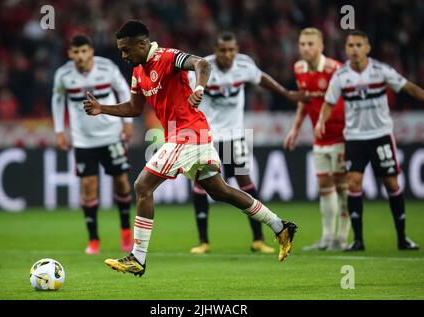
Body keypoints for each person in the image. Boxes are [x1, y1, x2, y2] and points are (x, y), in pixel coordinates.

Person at [83, 20, 298, 277]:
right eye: (121, 50)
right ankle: (279, 225)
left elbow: (202, 63)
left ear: (143, 44)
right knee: (220, 191)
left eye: (127, 49)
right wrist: (102, 109)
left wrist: (199, 88)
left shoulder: (168, 57)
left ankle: (137, 258)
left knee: (142, 186)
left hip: (188, 133)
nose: (124, 55)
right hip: (190, 134)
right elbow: (134, 108)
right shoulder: (138, 72)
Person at [188, 31, 307, 254]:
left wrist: (287, 93)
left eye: (232, 50)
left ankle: (258, 239)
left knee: (245, 182)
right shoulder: (203, 67)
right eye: (223, 50)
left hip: (235, 135)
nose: (228, 54)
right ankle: (203, 241)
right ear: (215, 51)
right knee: (201, 183)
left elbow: (261, 79)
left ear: (237, 50)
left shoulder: (244, 65)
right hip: (207, 136)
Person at [315, 30, 424, 251]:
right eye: (350, 45)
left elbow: (409, 87)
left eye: (358, 45)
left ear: (367, 48)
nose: (354, 49)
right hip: (355, 138)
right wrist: (320, 122)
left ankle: (402, 238)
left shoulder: (380, 71)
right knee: (354, 184)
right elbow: (329, 102)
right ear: (346, 49)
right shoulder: (341, 76)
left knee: (391, 183)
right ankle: (358, 240)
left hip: (381, 136)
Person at [52, 35, 134, 254]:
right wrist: (60, 130)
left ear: (91, 52)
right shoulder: (63, 75)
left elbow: (124, 90)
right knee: (88, 186)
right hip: (83, 140)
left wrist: (127, 122)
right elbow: (58, 100)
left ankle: (126, 232)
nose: (80, 56)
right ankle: (93, 240)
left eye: (84, 51)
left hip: (111, 135)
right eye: (76, 52)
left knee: (122, 183)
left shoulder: (107, 68)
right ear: (70, 53)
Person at [284, 28, 351, 251]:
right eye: (302, 44)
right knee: (324, 186)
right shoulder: (299, 68)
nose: (306, 48)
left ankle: (341, 238)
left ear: (321, 46)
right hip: (320, 138)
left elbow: (348, 102)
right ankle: (326, 237)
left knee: (342, 187)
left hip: (342, 135)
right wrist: (294, 129)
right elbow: (304, 102)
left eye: (310, 44)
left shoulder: (335, 69)